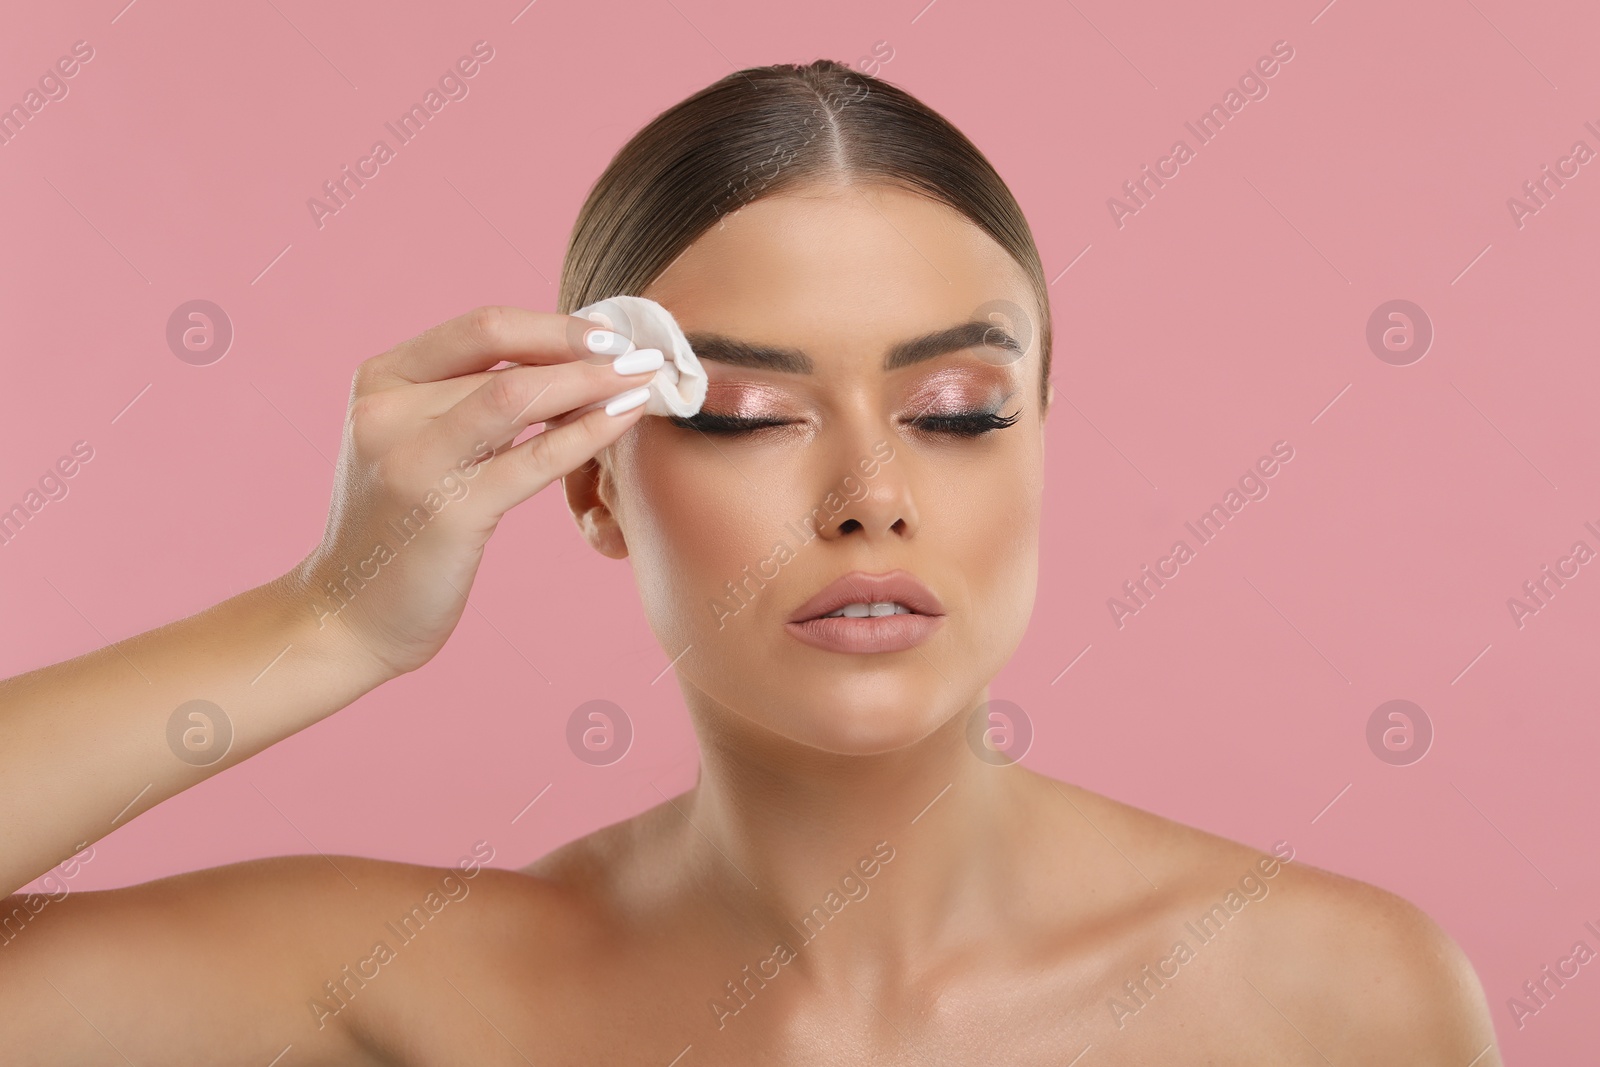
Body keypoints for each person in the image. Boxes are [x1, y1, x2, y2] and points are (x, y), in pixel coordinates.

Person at [0, 59, 1498, 1064]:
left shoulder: (1331, 997)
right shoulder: (414, 995)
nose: (869, 495)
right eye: (748, 416)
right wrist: (327, 622)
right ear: (594, 487)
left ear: (1039, 438)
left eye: (957, 411)